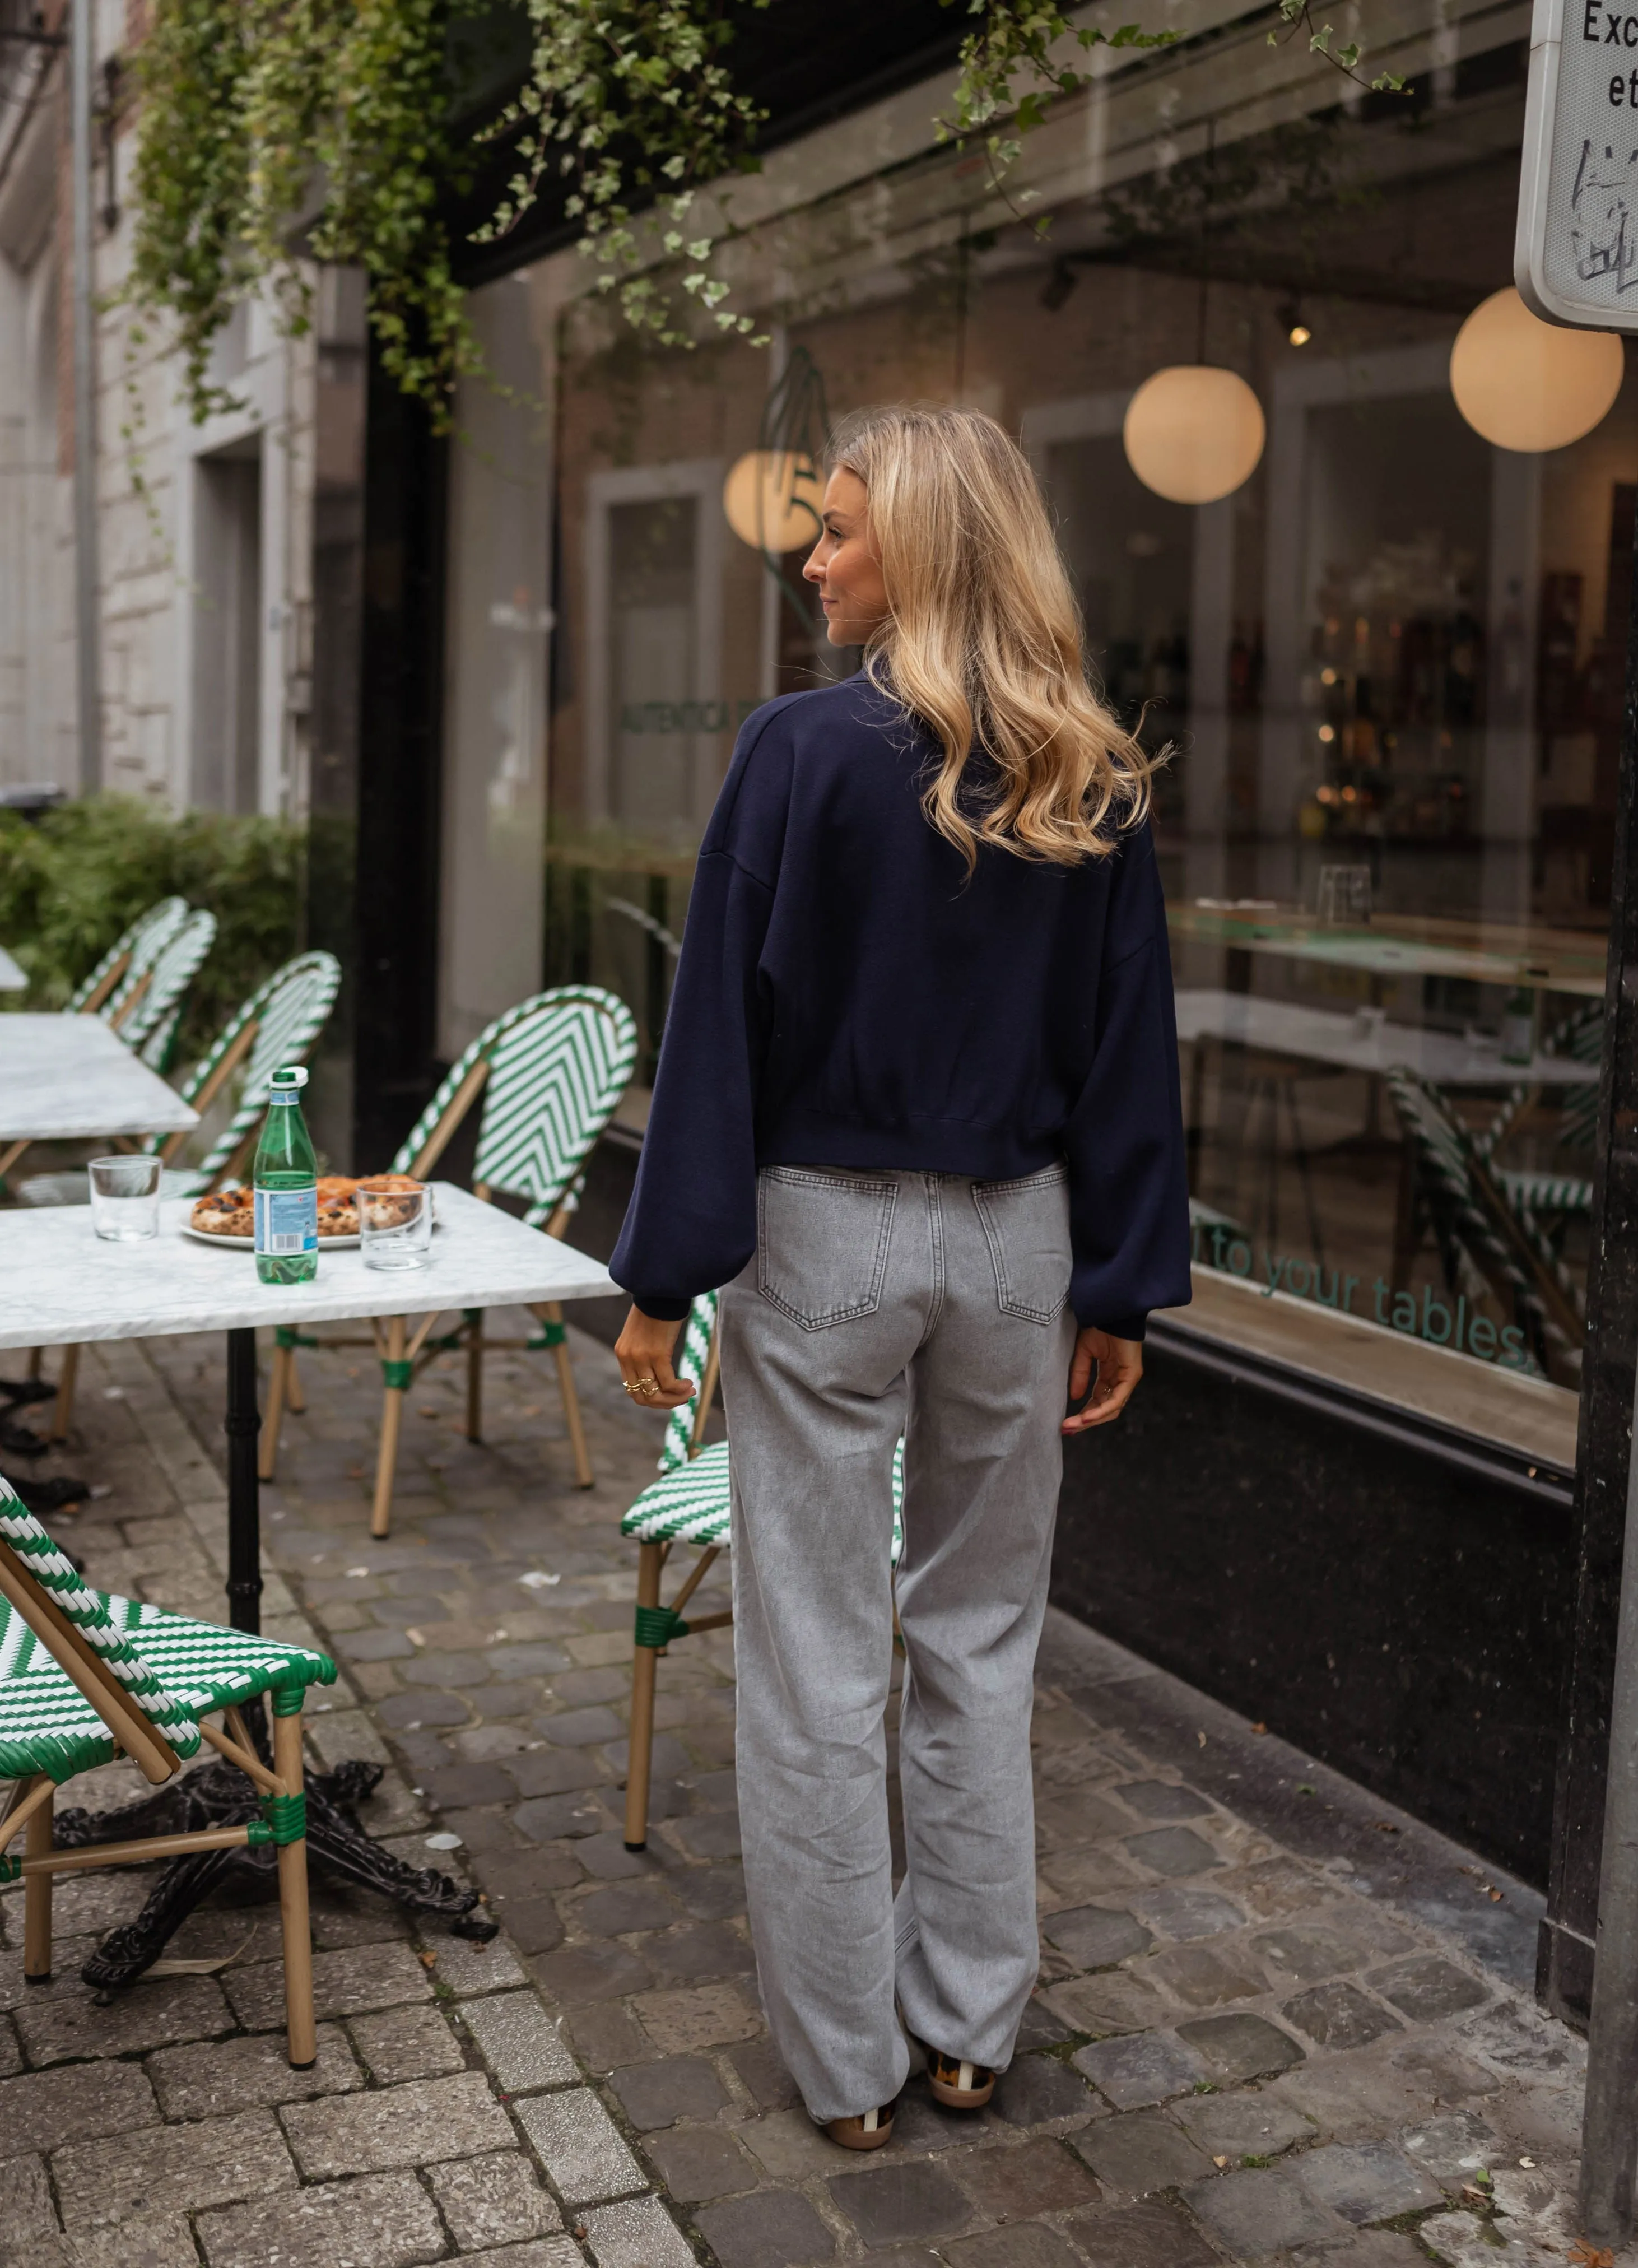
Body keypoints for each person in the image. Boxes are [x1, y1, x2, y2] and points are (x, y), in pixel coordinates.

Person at [609, 403, 1191, 2151]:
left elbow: (720, 1024)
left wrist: (663, 1273)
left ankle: (849, 2072)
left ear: (925, 549)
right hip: (1016, 1245)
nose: (813, 557)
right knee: (981, 1637)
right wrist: (1120, 1285)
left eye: (842, 530)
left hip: (828, 1239)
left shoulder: (794, 754)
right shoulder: (1089, 768)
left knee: (813, 1656)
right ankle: (965, 2030)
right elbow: (1126, 1053)